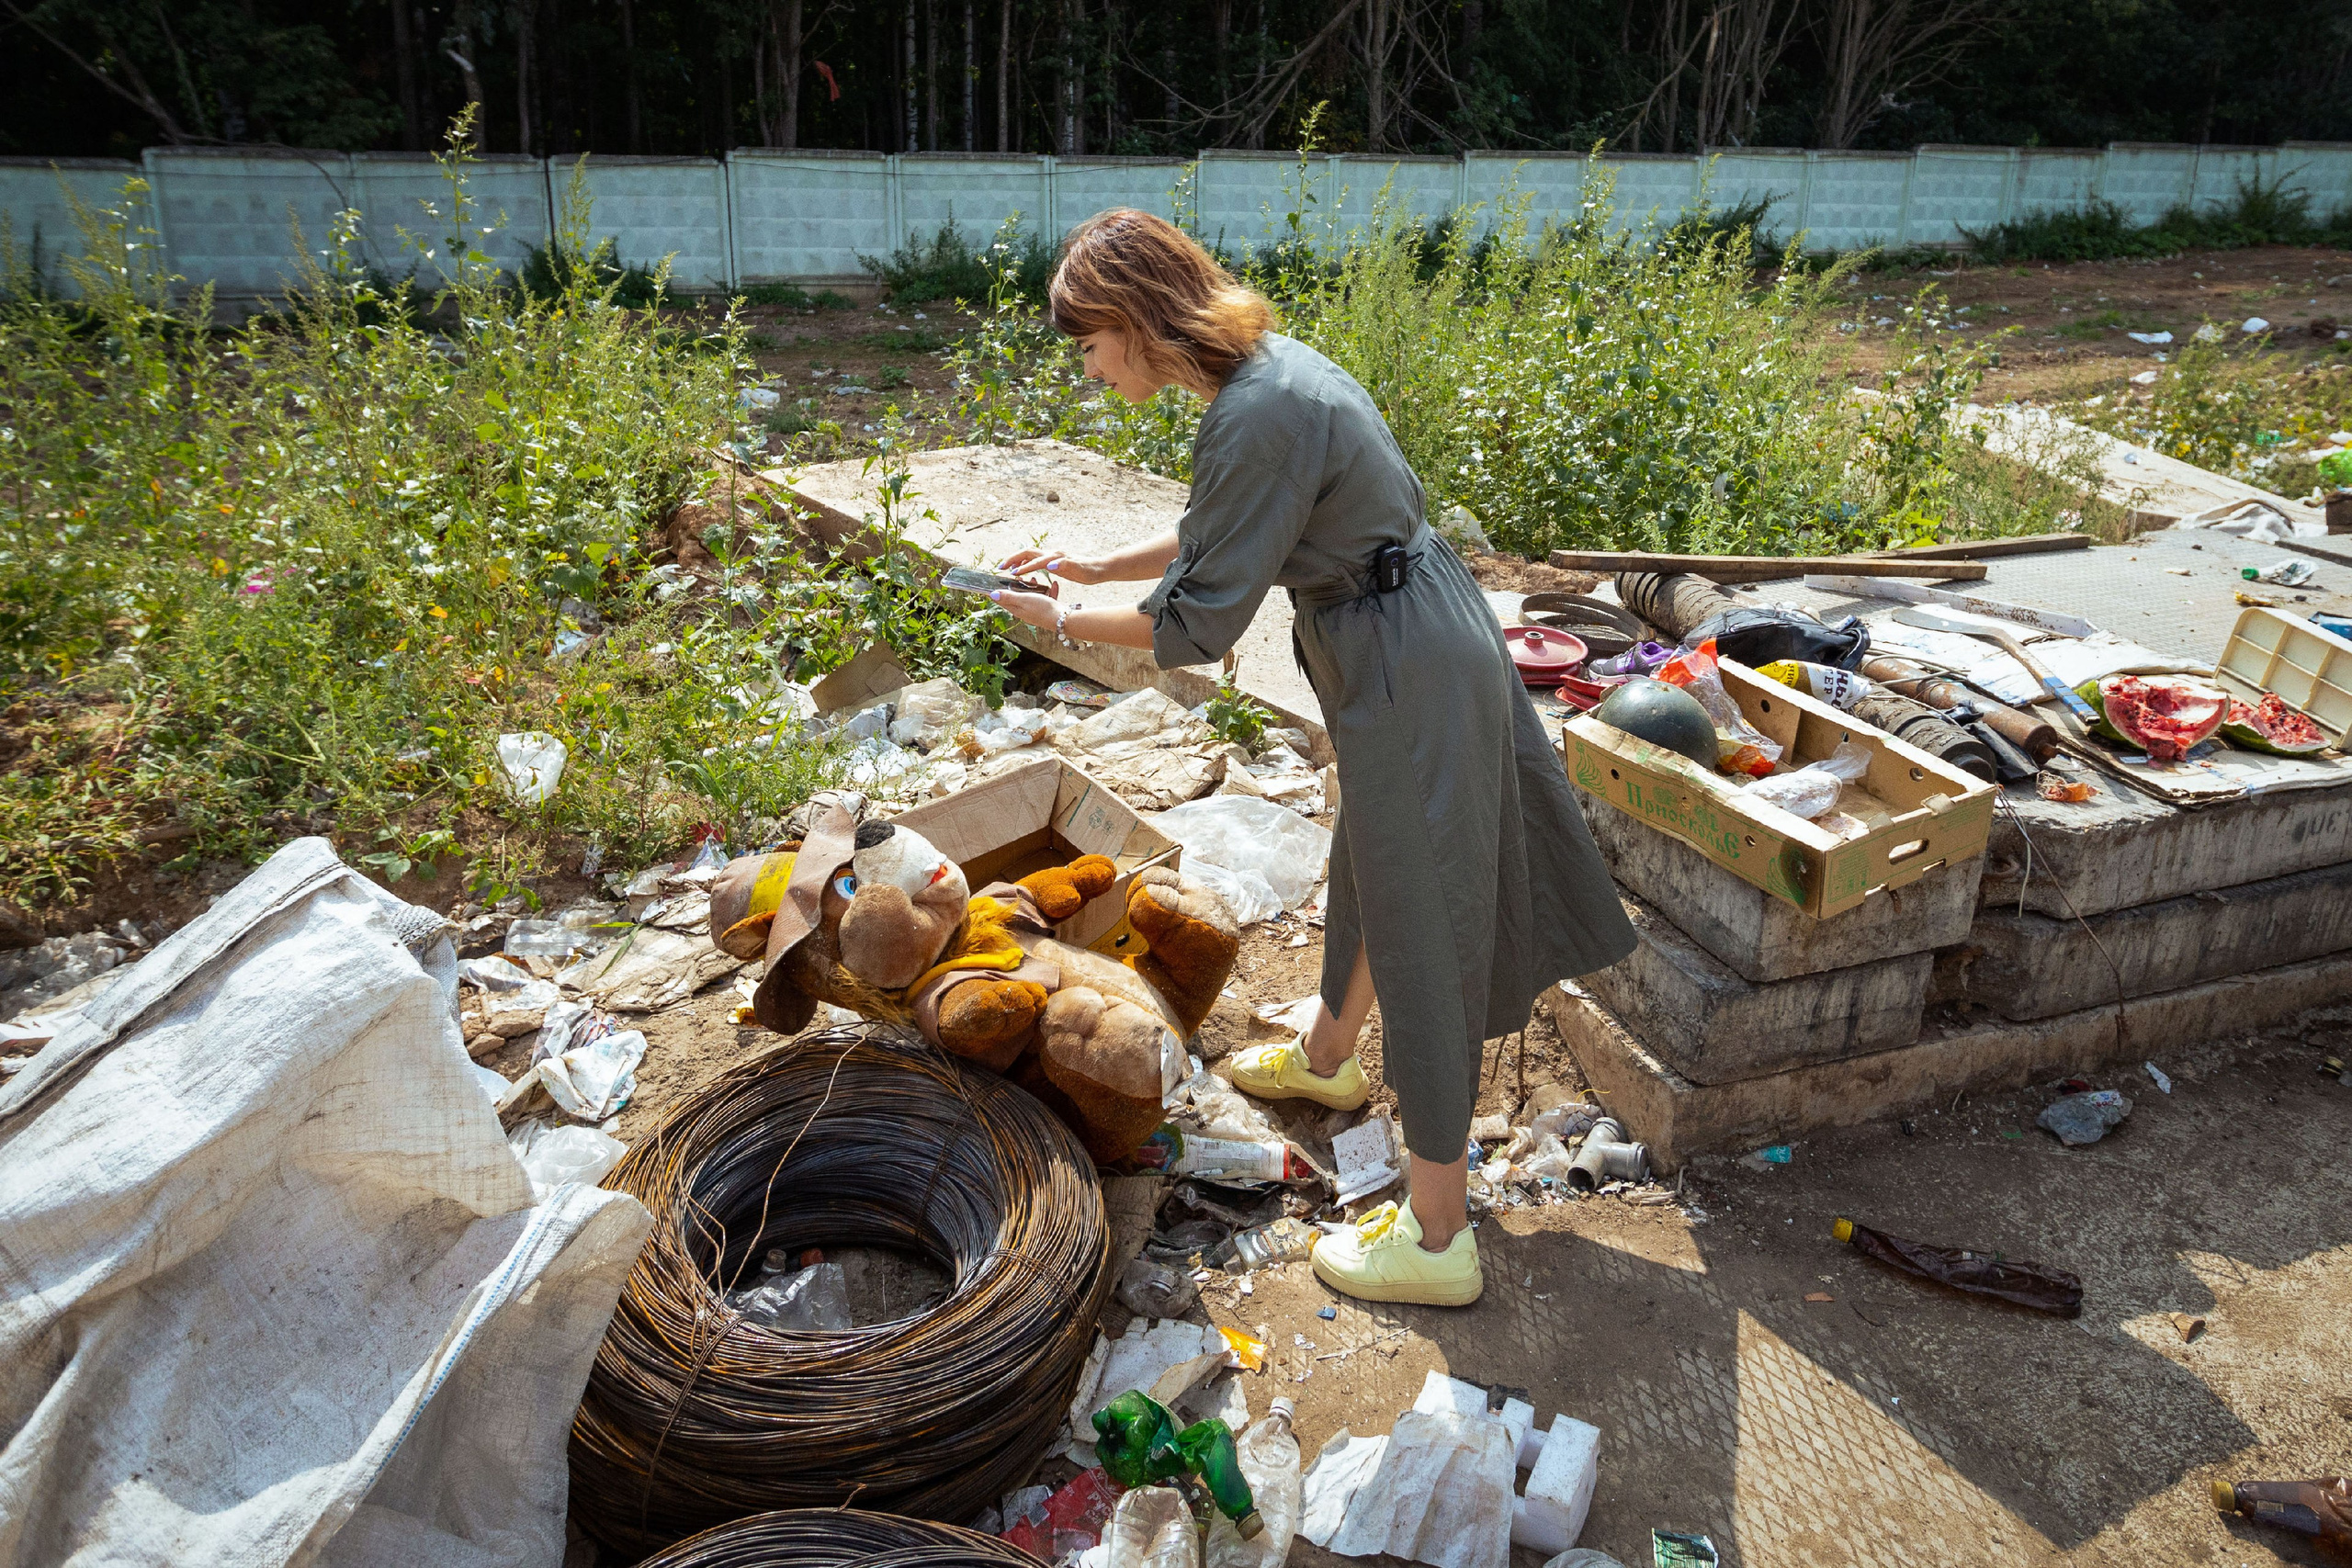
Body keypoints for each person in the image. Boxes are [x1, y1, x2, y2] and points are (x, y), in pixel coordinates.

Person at [989, 209, 1636, 1307]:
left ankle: (1438, 1238)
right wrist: (1089, 565)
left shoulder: (1254, 415)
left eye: (1090, 343)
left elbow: (1195, 626)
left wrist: (1049, 618)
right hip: (1402, 633)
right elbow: (1225, 525)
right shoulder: (1265, 376)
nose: (1090, 370)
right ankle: (1332, 1055)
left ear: (1140, 322)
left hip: (1402, 657)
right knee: (1375, 860)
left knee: (1423, 914)